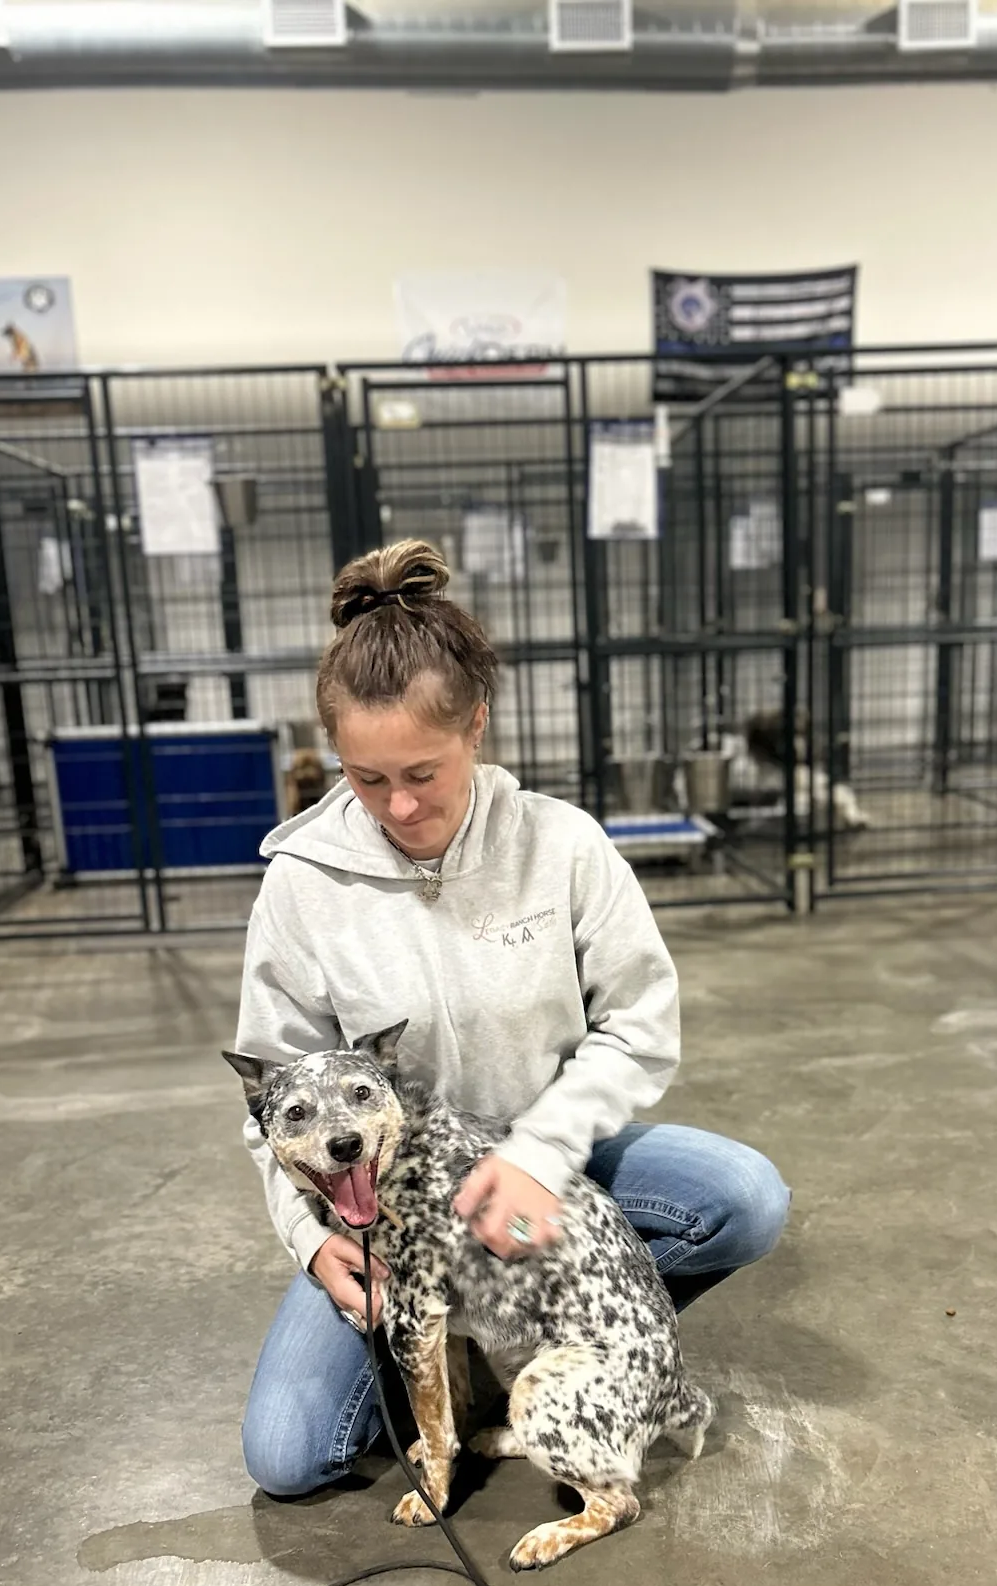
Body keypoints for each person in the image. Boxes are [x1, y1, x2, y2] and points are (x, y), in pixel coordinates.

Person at [234, 540, 790, 1498]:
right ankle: (462, 1339)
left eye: (423, 772)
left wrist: (537, 1154)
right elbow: (275, 1093)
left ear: (477, 727)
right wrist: (313, 1237)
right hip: (388, 1201)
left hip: (554, 1160)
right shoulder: (299, 887)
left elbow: (640, 1026)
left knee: (743, 1197)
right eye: (366, 780)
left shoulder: (563, 847)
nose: (398, 806)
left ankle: (569, 1341)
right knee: (289, 1457)